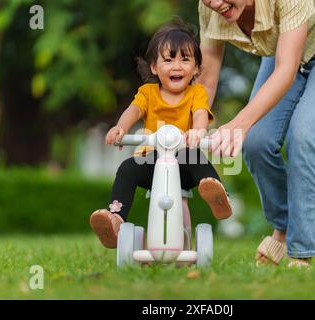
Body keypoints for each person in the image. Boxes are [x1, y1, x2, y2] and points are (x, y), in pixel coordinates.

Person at [196, 0, 315, 267]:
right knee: (256, 141)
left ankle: (299, 252)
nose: (217, 4)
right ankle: (283, 227)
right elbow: (205, 80)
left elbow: (286, 71)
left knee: (303, 135)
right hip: (288, 44)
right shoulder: (209, 9)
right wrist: (193, 132)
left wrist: (239, 124)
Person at [90, 21, 232, 249]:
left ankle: (216, 193)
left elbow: (200, 114)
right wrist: (121, 128)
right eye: (169, 59)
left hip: (184, 165)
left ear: (196, 68)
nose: (177, 66)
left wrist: (197, 131)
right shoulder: (148, 93)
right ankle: (116, 219)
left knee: (195, 157)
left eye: (185, 59)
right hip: (153, 161)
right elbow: (133, 110)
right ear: (154, 67)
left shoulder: (196, 93)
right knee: (128, 168)